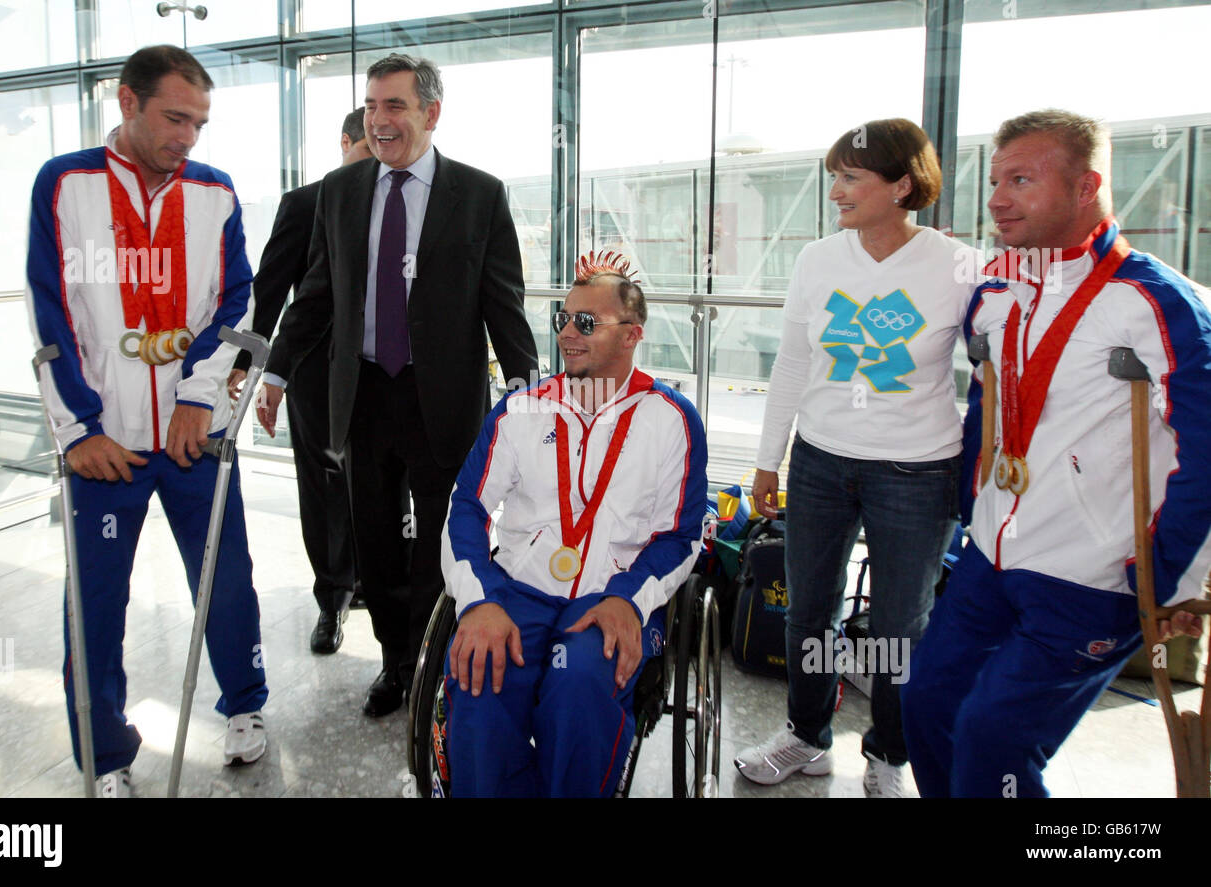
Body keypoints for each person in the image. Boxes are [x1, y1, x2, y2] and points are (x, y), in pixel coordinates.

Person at [901, 109, 1210, 798]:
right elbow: (988, 405)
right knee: (923, 700)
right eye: (994, 179)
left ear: (1085, 186)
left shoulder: (1156, 300)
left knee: (994, 737)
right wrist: (969, 508)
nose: (997, 198)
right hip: (990, 554)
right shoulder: (997, 291)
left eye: (1020, 180)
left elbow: (1208, 448)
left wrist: (1168, 575)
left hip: (1091, 576)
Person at [25, 45, 269, 797]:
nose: (188, 137)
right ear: (127, 101)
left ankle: (247, 706)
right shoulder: (63, 184)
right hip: (106, 446)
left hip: (196, 437)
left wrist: (200, 398)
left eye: (199, 123)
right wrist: (79, 432)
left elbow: (238, 306)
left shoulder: (215, 192)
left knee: (226, 581)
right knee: (95, 603)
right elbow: (50, 313)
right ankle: (105, 753)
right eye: (174, 118)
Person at [269, 53, 538, 717]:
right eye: (371, 107)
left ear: (431, 114)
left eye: (395, 106)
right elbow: (320, 293)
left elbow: (503, 301)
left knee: (444, 540)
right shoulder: (342, 191)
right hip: (361, 395)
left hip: (440, 396)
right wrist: (275, 368)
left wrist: (529, 388)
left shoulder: (478, 194)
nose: (380, 119)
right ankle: (394, 660)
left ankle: (434, 660)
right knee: (377, 539)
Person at [735, 119, 981, 797]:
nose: (835, 190)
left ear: (903, 185)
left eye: (851, 177)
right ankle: (806, 735)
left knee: (902, 625)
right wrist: (767, 460)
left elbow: (1000, 357)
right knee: (811, 609)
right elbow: (791, 363)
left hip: (918, 468)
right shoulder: (818, 259)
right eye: (834, 175)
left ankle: (889, 753)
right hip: (820, 461)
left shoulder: (957, 264)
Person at [439, 252, 708, 797]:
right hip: (517, 591)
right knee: (479, 677)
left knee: (581, 683)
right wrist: (479, 601)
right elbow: (466, 507)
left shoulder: (672, 418)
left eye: (586, 321)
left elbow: (682, 533)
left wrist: (630, 600)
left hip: (613, 595)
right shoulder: (520, 409)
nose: (567, 332)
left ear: (632, 334)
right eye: (562, 318)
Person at [226, 107, 373, 655]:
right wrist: (248, 364)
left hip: (381, 377)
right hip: (315, 374)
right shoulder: (307, 202)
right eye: (364, 152)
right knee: (323, 489)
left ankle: (372, 585)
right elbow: (271, 288)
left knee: (378, 487)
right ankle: (332, 597)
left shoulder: (399, 202)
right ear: (345, 143)